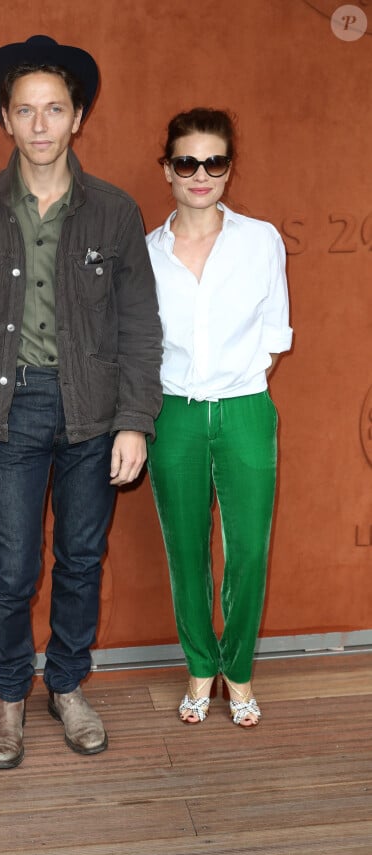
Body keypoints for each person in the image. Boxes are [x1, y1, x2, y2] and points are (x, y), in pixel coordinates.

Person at [0, 35, 162, 767]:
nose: (40, 125)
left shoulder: (115, 210)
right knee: (11, 567)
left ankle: (65, 686)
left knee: (81, 557)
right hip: (12, 407)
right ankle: (8, 699)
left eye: (54, 110)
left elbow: (138, 326)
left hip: (93, 409)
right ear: (6, 119)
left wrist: (135, 422)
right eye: (25, 111)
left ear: (78, 117)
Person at [146, 108, 292, 727]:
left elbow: (274, 331)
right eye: (187, 161)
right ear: (167, 170)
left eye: (215, 161)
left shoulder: (261, 240)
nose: (200, 174)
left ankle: (239, 671)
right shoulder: (146, 252)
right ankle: (199, 666)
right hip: (172, 413)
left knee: (249, 551)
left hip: (245, 410)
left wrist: (237, 384)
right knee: (185, 551)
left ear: (230, 169)